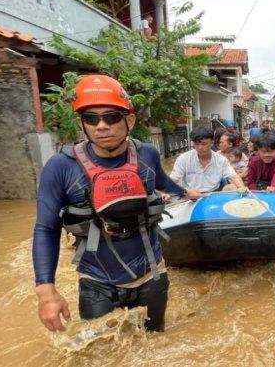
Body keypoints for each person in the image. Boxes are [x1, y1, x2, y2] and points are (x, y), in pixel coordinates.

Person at [32, 75, 204, 333]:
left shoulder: (147, 154)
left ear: (129, 120)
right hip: (96, 282)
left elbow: (163, 182)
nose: (102, 126)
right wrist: (46, 293)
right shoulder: (60, 167)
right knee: (101, 354)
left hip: (151, 275)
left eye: (111, 117)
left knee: (154, 344)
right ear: (82, 123)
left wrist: (186, 192)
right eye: (91, 119)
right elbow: (46, 229)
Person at [170, 126, 245, 193]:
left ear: (212, 143)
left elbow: (234, 176)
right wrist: (166, 192)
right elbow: (173, 179)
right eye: (196, 144)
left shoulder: (220, 160)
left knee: (232, 187)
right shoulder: (184, 158)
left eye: (203, 144)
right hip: (191, 195)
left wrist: (242, 188)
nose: (199, 147)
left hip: (213, 193)